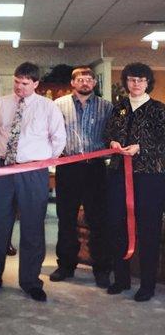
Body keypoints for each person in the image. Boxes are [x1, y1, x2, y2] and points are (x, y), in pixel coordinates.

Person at [0, 62, 66, 302]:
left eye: (25, 83)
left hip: (33, 172)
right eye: (17, 81)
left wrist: (40, 161)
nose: (20, 87)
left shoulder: (48, 107)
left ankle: (30, 281)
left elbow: (59, 139)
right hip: (4, 169)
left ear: (36, 84)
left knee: (32, 226)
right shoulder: (1, 104)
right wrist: (0, 154)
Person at [105, 62, 165, 302]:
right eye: (131, 80)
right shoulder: (118, 107)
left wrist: (142, 148)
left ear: (148, 82)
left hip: (150, 177)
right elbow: (108, 133)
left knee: (148, 228)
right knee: (116, 225)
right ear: (125, 82)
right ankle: (121, 279)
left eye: (140, 80)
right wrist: (112, 143)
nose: (136, 84)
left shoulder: (159, 110)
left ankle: (147, 285)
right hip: (119, 174)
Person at [50, 66, 113, 288]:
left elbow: (113, 136)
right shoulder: (58, 105)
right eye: (80, 79)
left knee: (98, 220)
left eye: (89, 79)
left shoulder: (107, 107)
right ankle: (66, 265)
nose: (85, 82)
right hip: (68, 169)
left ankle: (102, 268)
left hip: (95, 169)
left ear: (94, 83)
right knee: (65, 219)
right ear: (73, 82)